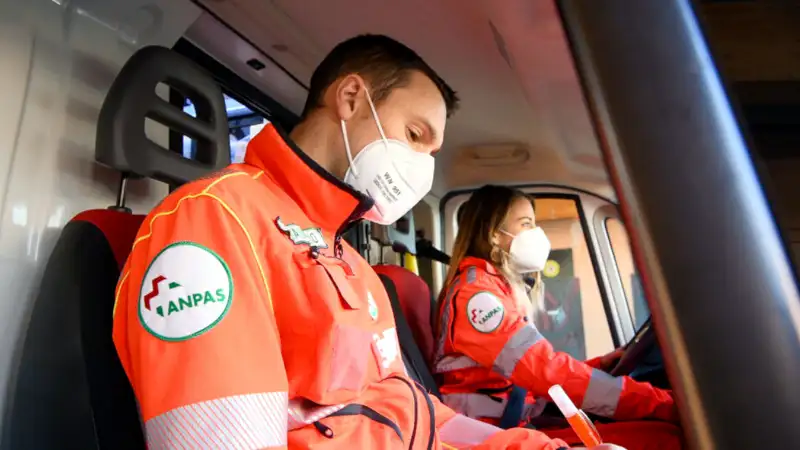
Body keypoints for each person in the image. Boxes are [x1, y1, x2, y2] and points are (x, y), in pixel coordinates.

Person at [112, 34, 622, 449]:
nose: (423, 166)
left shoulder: (355, 267)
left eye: (433, 150)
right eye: (416, 134)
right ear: (352, 98)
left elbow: (420, 417)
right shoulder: (214, 221)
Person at [433, 185, 684, 450]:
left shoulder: (497, 288)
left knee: (659, 433)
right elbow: (544, 370)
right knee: (665, 439)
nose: (535, 233)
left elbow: (536, 370)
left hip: (515, 422)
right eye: (526, 223)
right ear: (494, 234)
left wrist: (599, 365)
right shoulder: (478, 296)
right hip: (492, 433)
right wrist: (658, 402)